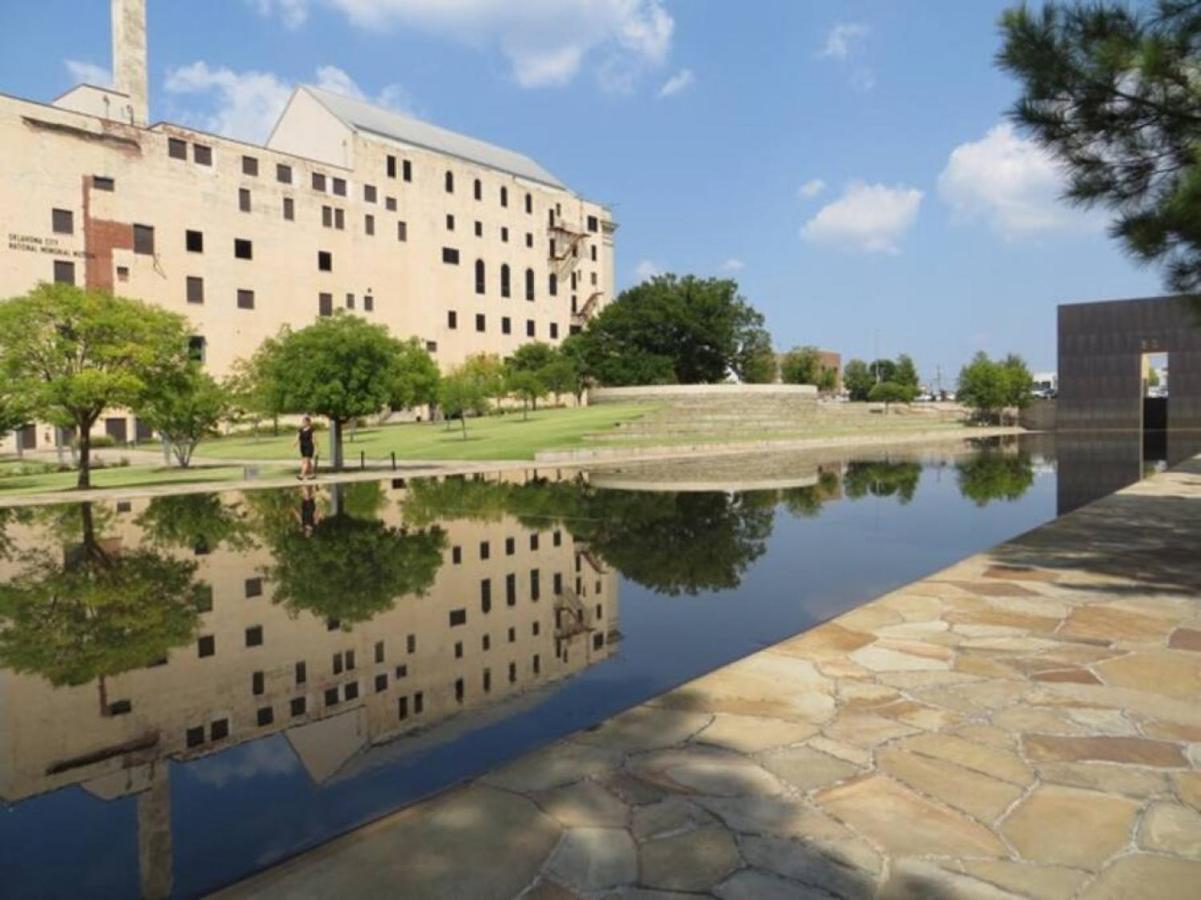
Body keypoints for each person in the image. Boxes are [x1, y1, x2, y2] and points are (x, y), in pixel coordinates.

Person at [293, 415, 315, 479]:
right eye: (303, 421)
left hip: (309, 446)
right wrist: (295, 443)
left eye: (305, 421)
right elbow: (297, 437)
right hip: (302, 446)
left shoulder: (311, 429)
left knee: (306, 461)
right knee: (306, 461)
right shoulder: (300, 429)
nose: (304, 423)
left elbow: (314, 438)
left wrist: (317, 448)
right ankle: (312, 474)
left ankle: (301, 475)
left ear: (308, 422)